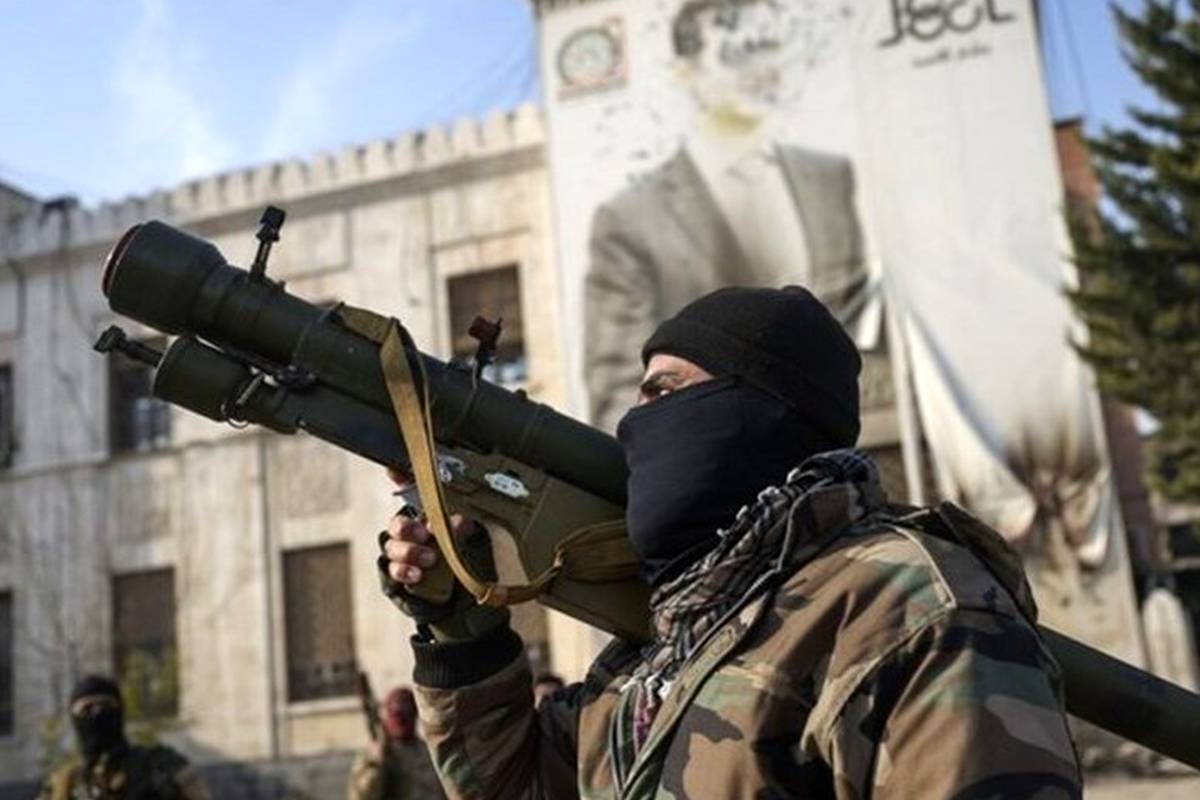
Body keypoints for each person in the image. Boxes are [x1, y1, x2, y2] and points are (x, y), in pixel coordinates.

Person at [378, 286, 1083, 798]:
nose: (634, 426)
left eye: (665, 392)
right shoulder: (665, 643)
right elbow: (519, 786)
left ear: (759, 411)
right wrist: (460, 623)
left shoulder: (907, 612)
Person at [584, 0, 868, 431]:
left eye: (766, 49)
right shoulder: (630, 221)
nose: (760, 70)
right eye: (736, 53)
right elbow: (619, 404)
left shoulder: (828, 180)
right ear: (687, 72)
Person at [38, 674, 210, 800]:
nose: (97, 713)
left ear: (119, 712)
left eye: (105, 705)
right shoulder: (62, 785)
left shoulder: (161, 767)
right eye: (87, 709)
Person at [347, 686, 445, 800]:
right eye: (396, 714)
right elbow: (362, 795)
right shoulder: (373, 755)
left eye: (406, 714)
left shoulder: (430, 752)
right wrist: (376, 764)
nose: (401, 721)